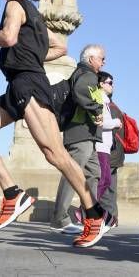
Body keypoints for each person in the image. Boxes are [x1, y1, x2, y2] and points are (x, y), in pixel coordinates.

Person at [0, 0, 108, 248]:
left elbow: (8, 37)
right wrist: (30, 57)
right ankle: (12, 193)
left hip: (29, 86)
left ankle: (94, 214)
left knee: (55, 154)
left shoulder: (15, 6)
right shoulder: (36, 15)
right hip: (17, 87)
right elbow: (60, 48)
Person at [49, 44, 105, 235]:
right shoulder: (87, 74)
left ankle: (92, 216)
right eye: (102, 58)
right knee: (72, 173)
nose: (104, 62)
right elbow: (81, 91)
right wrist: (96, 109)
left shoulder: (86, 73)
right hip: (80, 134)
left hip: (87, 135)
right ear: (91, 59)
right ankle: (60, 219)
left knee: (93, 174)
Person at [96, 70, 121, 217]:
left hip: (105, 147)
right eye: (109, 83)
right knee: (104, 180)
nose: (112, 85)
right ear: (101, 84)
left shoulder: (106, 101)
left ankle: (88, 209)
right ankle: (86, 209)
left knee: (105, 181)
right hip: (100, 146)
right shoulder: (99, 99)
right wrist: (115, 123)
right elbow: (99, 122)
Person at [106, 76, 127, 229]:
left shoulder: (110, 110)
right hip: (117, 155)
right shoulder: (117, 108)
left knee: (105, 188)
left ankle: (110, 218)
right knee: (111, 188)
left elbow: (110, 133)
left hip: (110, 154)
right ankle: (113, 218)